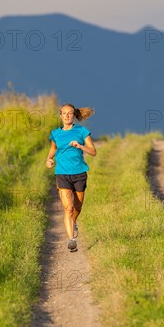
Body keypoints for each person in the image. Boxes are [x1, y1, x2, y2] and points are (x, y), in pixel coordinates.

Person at [46, 103, 97, 252]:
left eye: (70, 113)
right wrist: (49, 159)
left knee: (77, 207)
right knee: (68, 208)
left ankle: (73, 222)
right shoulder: (55, 133)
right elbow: (53, 149)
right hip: (62, 173)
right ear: (60, 115)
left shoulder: (82, 131)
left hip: (79, 173)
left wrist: (80, 147)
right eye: (64, 113)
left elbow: (93, 152)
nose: (67, 115)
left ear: (74, 115)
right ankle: (71, 240)